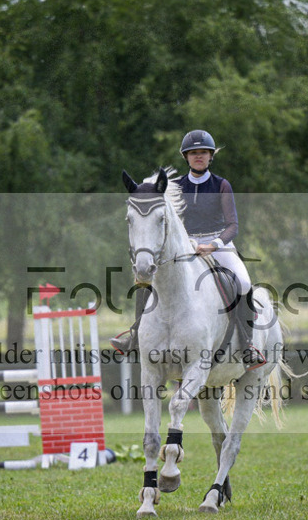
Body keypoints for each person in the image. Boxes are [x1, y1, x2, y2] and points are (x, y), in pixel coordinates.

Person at [113, 129, 266, 369]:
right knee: (144, 280)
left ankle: (247, 346)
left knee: (244, 283)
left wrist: (213, 245)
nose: (199, 157)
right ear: (186, 157)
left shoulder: (221, 185)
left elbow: (233, 225)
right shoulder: (174, 187)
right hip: (185, 245)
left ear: (210, 156)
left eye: (203, 153)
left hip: (218, 244)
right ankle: (135, 335)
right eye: (193, 153)